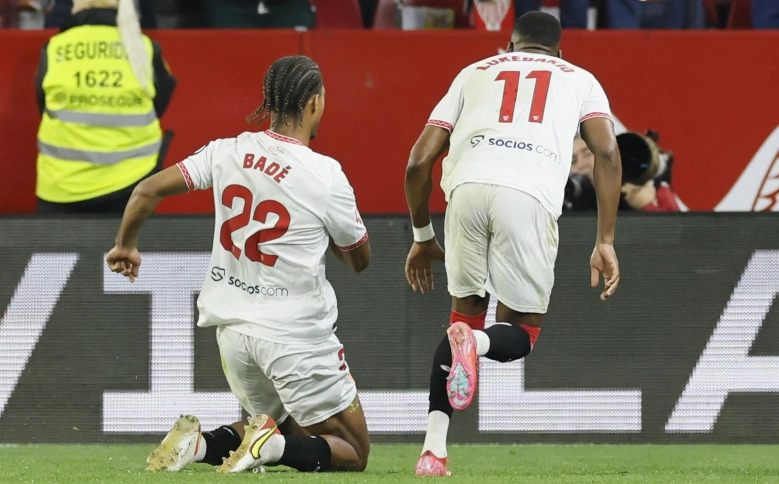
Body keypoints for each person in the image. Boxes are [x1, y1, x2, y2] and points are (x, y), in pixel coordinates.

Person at [106, 55, 372, 474]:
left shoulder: (226, 152)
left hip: (234, 336)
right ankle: (273, 451)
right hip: (294, 337)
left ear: (269, 101)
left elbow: (146, 190)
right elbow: (359, 259)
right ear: (315, 104)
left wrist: (126, 245)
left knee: (282, 424)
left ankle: (197, 444)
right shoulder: (325, 175)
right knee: (353, 450)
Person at [403, 12, 622, 476]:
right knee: (522, 332)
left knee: (461, 314)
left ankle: (433, 451)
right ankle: (477, 343)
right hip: (527, 195)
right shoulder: (580, 78)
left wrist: (423, 236)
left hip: (465, 191)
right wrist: (605, 239)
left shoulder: (473, 72)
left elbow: (418, 161)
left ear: (508, 45)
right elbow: (605, 152)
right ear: (559, 53)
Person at [35, 0, 176, 213]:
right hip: (134, 185)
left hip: (62, 188)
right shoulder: (145, 48)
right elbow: (159, 106)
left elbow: (43, 106)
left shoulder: (55, 48)